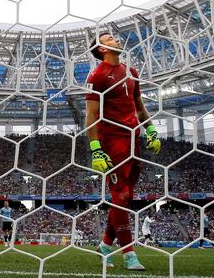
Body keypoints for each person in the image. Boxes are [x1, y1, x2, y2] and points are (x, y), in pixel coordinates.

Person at [85, 33, 161, 271]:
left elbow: (139, 106)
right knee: (119, 194)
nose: (117, 39)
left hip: (133, 138)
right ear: (101, 49)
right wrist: (96, 149)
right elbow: (91, 114)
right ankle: (129, 254)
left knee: (126, 197)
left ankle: (106, 245)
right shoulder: (97, 76)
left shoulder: (131, 72)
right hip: (112, 140)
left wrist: (150, 129)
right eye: (109, 39)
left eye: (115, 36)